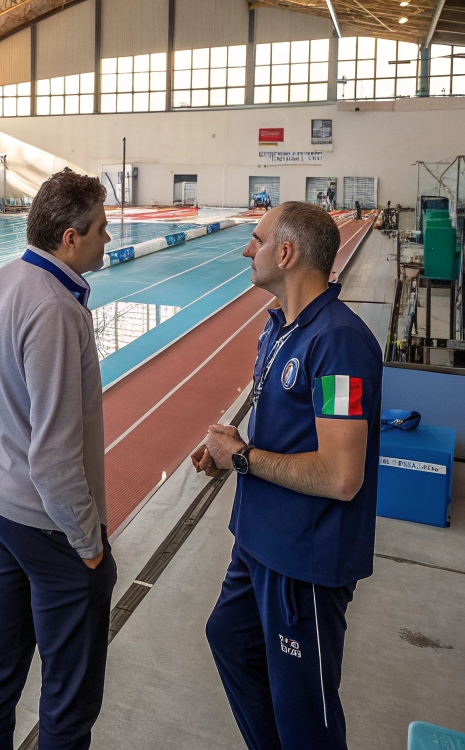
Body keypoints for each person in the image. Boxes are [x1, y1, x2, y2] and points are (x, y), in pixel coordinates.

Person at [192, 202, 382, 750]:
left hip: (304, 561)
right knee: (229, 641)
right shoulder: (278, 328)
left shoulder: (337, 345)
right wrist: (227, 449)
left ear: (286, 252)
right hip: (257, 544)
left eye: (256, 239)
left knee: (306, 716)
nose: (246, 249)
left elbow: (343, 475)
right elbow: (283, 431)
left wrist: (245, 458)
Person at [0, 169, 114, 750]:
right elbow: (52, 457)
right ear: (69, 239)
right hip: (51, 530)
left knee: (0, 667)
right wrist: (89, 545)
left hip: (3, 511)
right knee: (68, 702)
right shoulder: (55, 310)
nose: (109, 238)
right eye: (100, 228)